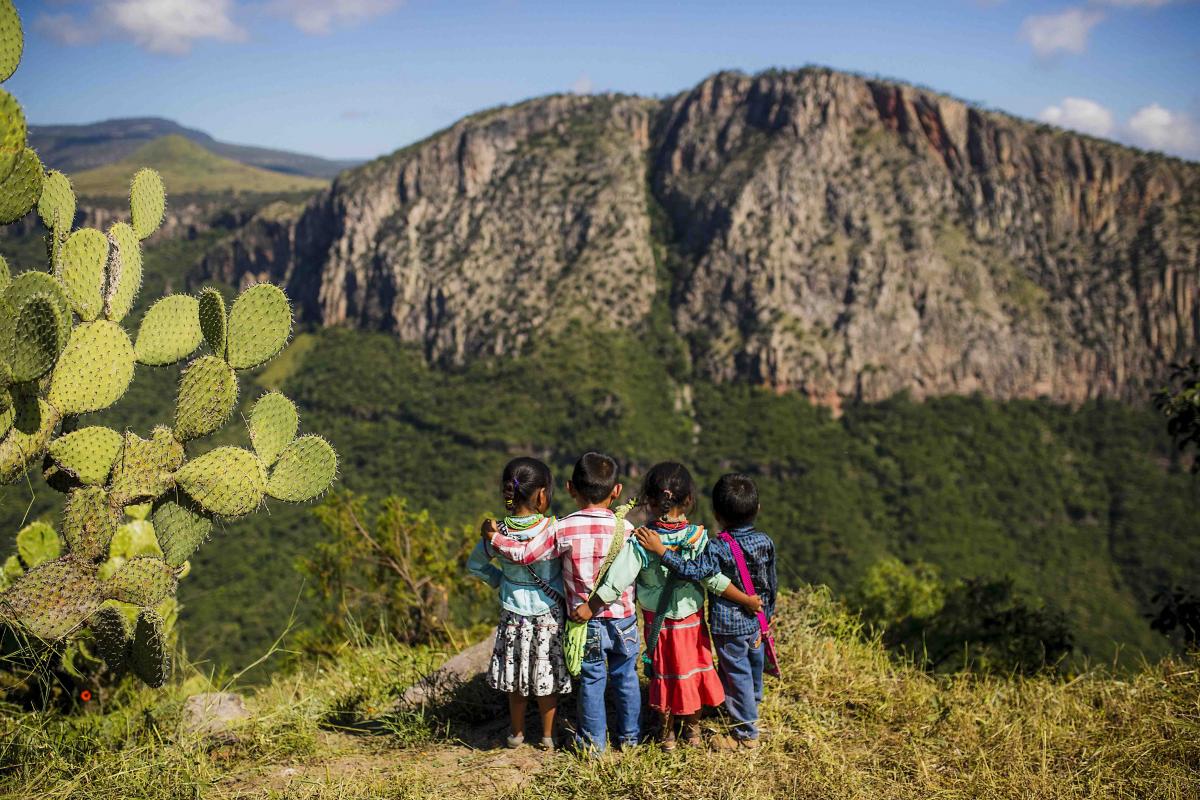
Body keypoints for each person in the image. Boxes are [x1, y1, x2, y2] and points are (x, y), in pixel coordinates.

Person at [576, 462, 762, 750]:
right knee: (694, 673)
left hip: (658, 625)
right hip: (692, 622)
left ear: (649, 502)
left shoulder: (641, 540)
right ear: (688, 499)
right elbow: (714, 580)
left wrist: (591, 607)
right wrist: (746, 600)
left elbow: (618, 579)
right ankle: (693, 730)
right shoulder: (698, 539)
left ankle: (667, 735)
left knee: (664, 675)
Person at [484, 452, 640, 754]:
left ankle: (593, 744)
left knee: (593, 679)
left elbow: (524, 555)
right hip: (624, 619)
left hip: (586, 622)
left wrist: (494, 538)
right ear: (617, 490)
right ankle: (630, 738)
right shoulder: (628, 531)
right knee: (626, 677)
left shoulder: (562, 528)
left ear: (570, 488)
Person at [636, 472, 776, 750]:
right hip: (757, 621)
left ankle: (747, 732)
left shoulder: (717, 546)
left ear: (716, 513)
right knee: (752, 668)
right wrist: (765, 617)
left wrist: (662, 551)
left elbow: (694, 572)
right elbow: (772, 584)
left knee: (737, 675)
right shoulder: (765, 541)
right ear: (757, 509)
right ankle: (747, 706)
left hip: (729, 625)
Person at [466, 457, 571, 750]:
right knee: (546, 675)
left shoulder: (496, 532)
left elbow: (475, 565)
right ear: (541, 494)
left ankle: (517, 733)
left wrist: (501, 581)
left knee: (515, 677)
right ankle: (548, 736)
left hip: (513, 615)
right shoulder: (552, 529)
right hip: (548, 614)